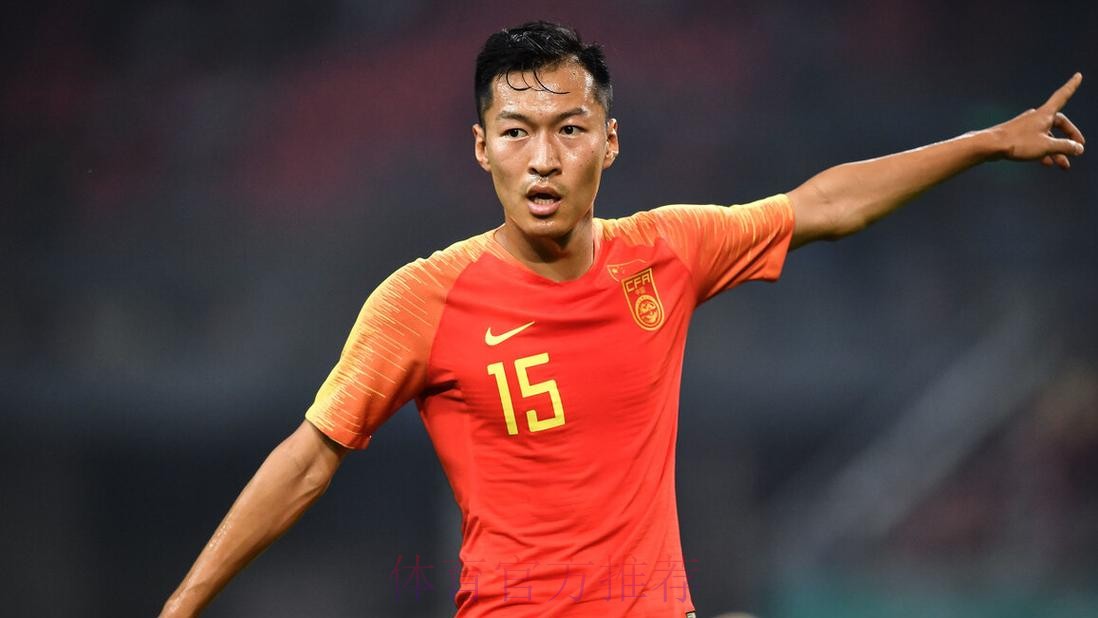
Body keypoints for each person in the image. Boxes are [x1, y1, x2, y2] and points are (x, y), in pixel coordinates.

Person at [161, 20, 1085, 618]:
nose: (543, 159)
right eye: (516, 132)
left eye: (568, 129)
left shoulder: (666, 252)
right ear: (481, 149)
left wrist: (985, 143)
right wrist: (183, 606)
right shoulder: (421, 299)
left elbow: (825, 206)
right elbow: (309, 459)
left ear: (608, 141)